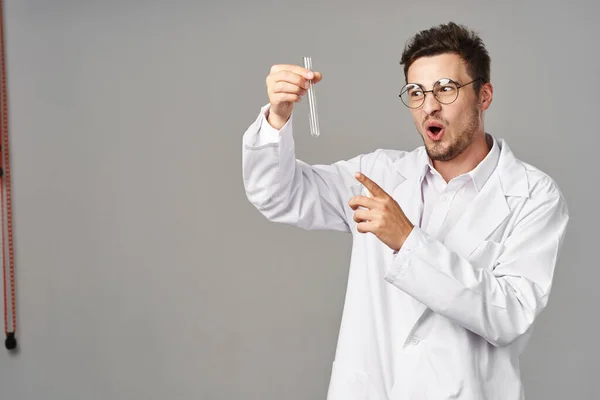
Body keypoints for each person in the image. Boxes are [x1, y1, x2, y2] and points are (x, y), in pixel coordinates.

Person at [241, 22, 569, 400]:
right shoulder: (380, 175)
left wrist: (408, 240)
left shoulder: (533, 196)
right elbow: (279, 194)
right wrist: (277, 118)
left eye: (446, 89)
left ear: (484, 96)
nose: (429, 105)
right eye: (416, 92)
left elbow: (508, 314)